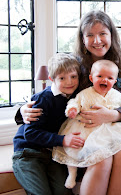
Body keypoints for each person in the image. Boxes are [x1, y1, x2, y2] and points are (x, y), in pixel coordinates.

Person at [15, 10, 121, 195]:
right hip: (86, 131)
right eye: (90, 35)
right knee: (102, 158)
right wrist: (22, 110)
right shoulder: (75, 63)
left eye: (102, 34)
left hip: (114, 128)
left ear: (111, 35)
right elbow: (52, 92)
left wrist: (111, 115)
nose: (97, 40)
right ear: (83, 39)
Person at [52, 59, 121, 189]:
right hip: (86, 129)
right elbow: (74, 102)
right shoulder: (85, 93)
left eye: (109, 78)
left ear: (115, 82)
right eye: (100, 77)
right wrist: (72, 110)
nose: (105, 80)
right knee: (79, 151)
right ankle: (72, 174)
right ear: (91, 78)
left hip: (107, 127)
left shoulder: (116, 94)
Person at [12, 53, 82, 195]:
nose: (69, 82)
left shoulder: (75, 98)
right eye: (62, 78)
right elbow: (30, 133)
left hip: (52, 153)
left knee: (64, 191)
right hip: (28, 152)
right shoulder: (43, 99)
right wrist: (63, 140)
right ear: (52, 79)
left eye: (73, 76)